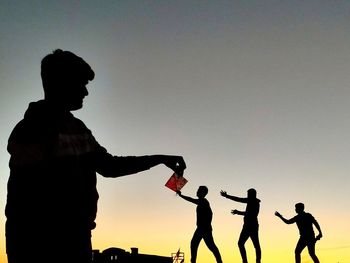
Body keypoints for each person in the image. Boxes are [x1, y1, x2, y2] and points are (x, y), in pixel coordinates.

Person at [5, 49, 186, 263]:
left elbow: (109, 166)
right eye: (81, 84)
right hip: (38, 241)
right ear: (61, 83)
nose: (85, 92)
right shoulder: (32, 129)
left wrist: (159, 159)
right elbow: (33, 195)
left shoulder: (77, 129)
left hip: (76, 236)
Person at [176, 186, 223, 263]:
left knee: (209, 246)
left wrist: (181, 195)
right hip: (202, 228)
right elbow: (211, 214)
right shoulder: (203, 202)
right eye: (197, 190)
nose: (197, 191)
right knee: (197, 244)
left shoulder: (203, 202)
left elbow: (191, 200)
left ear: (203, 193)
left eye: (199, 190)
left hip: (204, 228)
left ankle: (219, 261)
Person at [220, 189, 261, 263]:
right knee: (242, 243)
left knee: (255, 245)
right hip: (247, 226)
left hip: (252, 226)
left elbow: (252, 213)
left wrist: (238, 212)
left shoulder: (255, 202)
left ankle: (256, 261)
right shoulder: (251, 201)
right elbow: (238, 199)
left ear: (253, 194)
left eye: (248, 194)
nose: (247, 196)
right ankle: (246, 260)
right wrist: (227, 196)